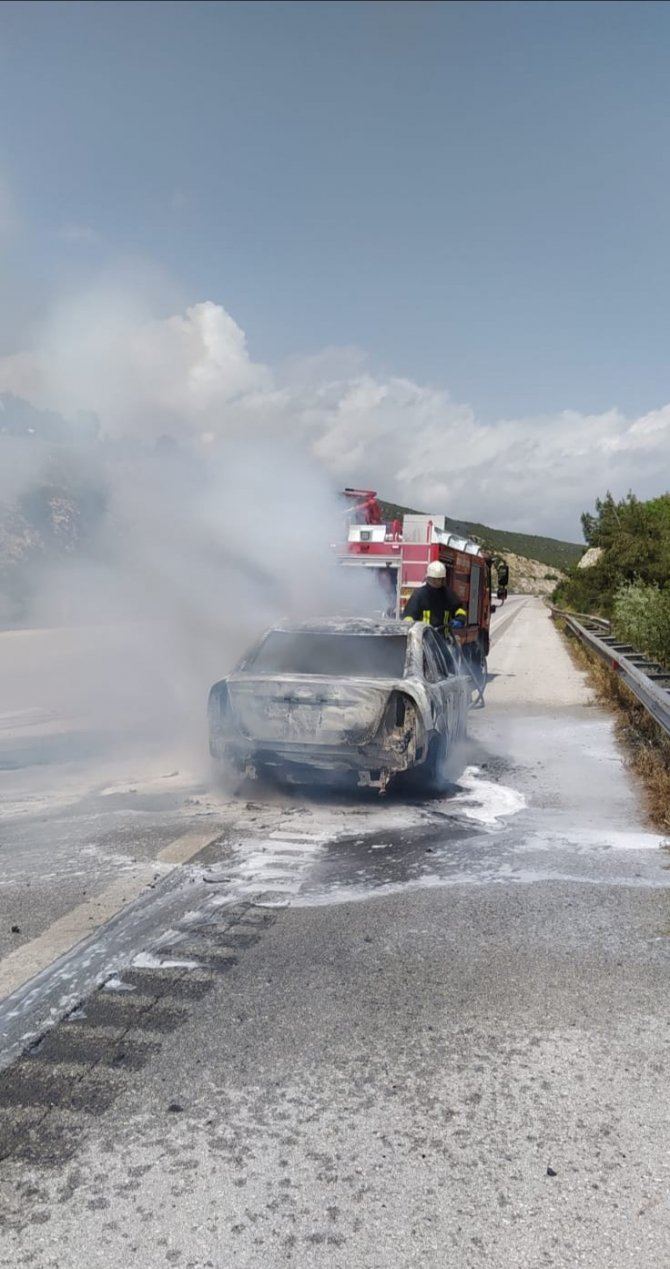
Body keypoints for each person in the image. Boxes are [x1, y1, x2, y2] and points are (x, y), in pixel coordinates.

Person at [402, 561, 466, 631]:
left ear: (443, 579)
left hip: (443, 638)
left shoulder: (449, 594)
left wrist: (460, 619)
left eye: (438, 579)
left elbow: (459, 609)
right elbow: (409, 614)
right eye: (433, 579)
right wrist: (410, 626)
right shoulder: (419, 594)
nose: (436, 581)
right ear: (428, 578)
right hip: (424, 638)